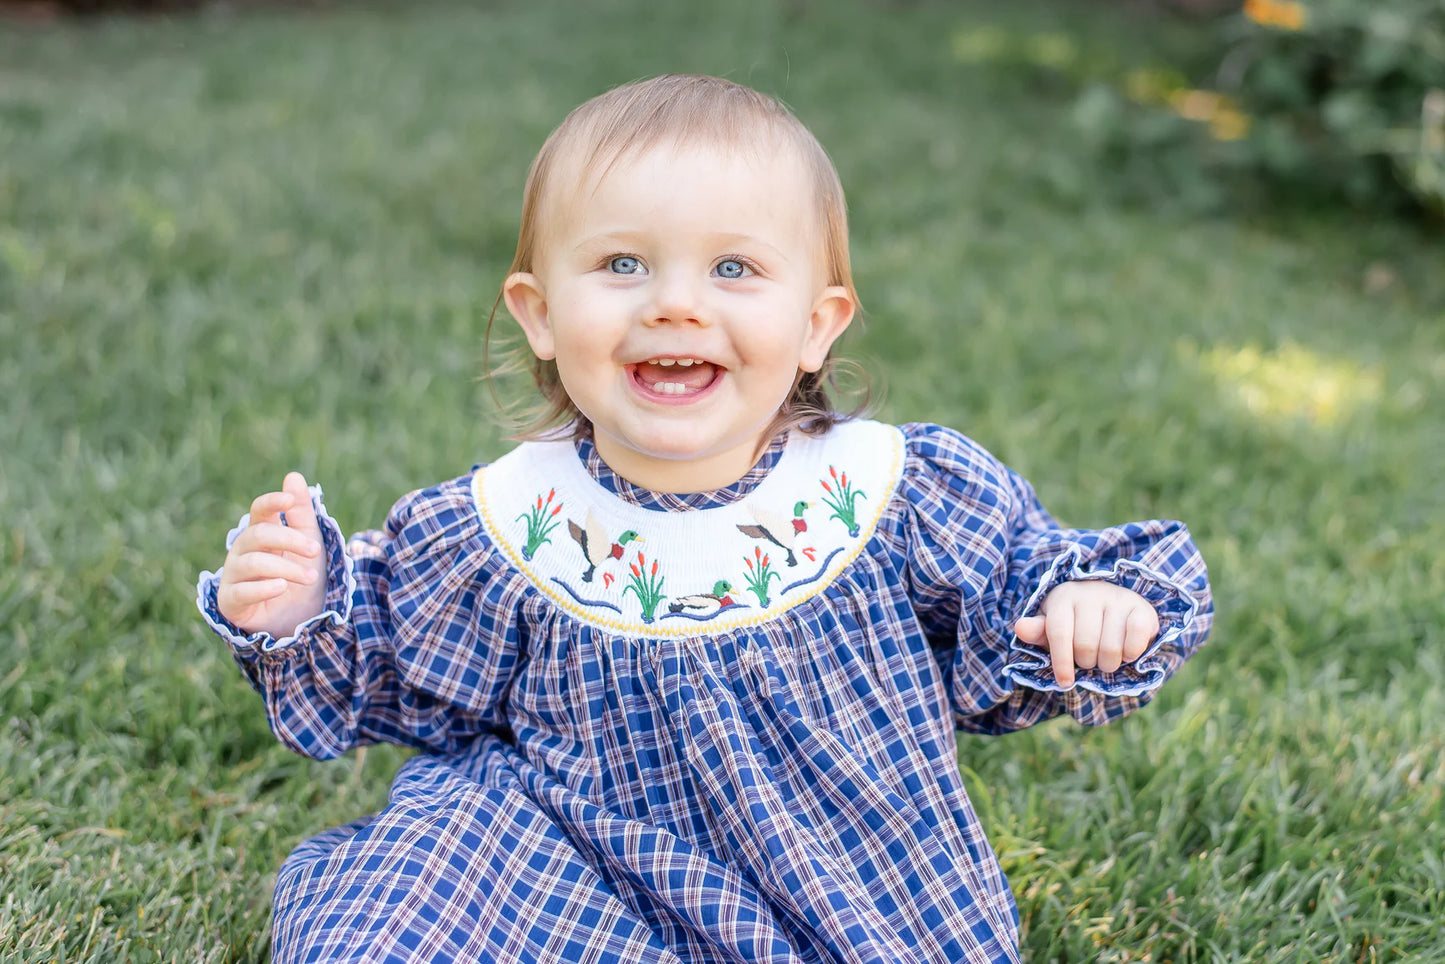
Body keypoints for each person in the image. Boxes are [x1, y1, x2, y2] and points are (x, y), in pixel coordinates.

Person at [197, 74, 1212, 964]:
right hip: (563, 857)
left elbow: (1021, 577)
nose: (674, 305)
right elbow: (402, 665)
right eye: (622, 265)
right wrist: (302, 605)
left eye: (732, 269)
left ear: (815, 325)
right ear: (539, 313)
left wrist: (1088, 600)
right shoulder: (512, 524)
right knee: (406, 893)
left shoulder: (885, 494)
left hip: (832, 888)